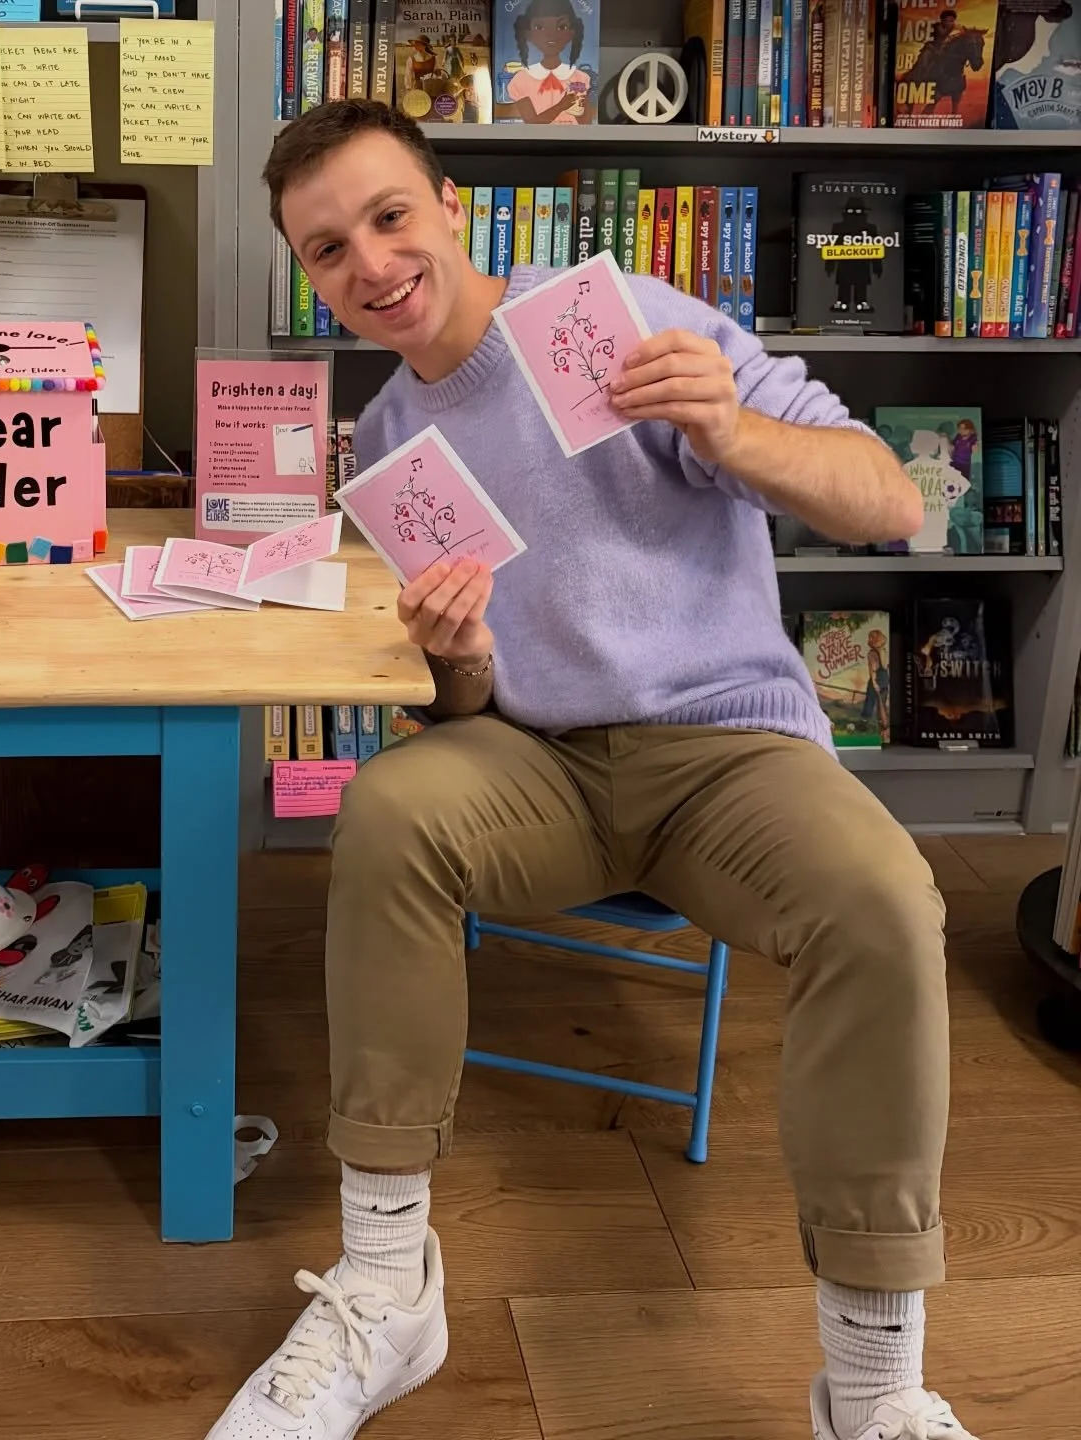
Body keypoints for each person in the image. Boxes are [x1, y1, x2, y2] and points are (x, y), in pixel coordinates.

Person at [205, 98, 973, 1440]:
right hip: (536, 763)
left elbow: (895, 500)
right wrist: (456, 658)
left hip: (727, 749)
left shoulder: (621, 322)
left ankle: (876, 1384)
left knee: (886, 900)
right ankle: (390, 1286)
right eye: (327, 250)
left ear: (450, 205)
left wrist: (733, 432)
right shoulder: (384, 445)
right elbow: (463, 710)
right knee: (390, 810)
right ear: (306, 273)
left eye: (389, 218)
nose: (372, 266)